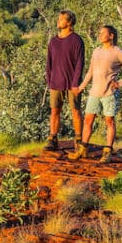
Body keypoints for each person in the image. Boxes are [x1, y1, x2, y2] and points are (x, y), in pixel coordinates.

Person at [69, 24, 122, 163]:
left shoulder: (117, 51)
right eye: (99, 33)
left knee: (109, 122)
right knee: (88, 120)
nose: (99, 35)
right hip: (94, 92)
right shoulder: (96, 51)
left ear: (111, 36)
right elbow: (90, 72)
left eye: (102, 33)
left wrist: (120, 83)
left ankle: (107, 152)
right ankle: (83, 149)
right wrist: (81, 87)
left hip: (109, 94)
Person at [44, 10, 85, 152]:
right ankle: (52, 139)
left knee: (76, 111)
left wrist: (76, 83)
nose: (58, 21)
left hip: (72, 84)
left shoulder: (76, 40)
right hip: (55, 83)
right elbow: (48, 63)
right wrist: (50, 80)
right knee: (54, 111)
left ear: (69, 22)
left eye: (61, 19)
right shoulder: (53, 41)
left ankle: (79, 140)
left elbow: (80, 63)